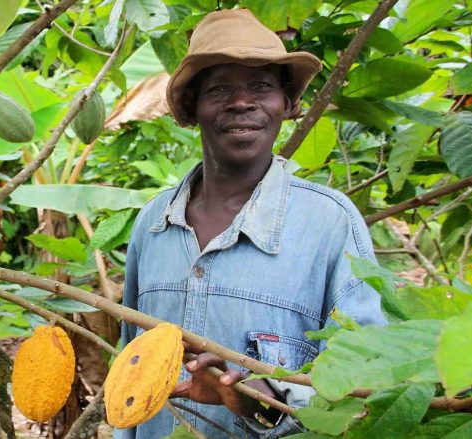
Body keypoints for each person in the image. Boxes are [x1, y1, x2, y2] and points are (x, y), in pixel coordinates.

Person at [117, 9, 387, 439]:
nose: (241, 102)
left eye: (260, 86)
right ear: (193, 106)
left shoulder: (330, 223)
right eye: (220, 88)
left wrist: (263, 400)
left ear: (286, 103)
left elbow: (367, 372)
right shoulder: (154, 223)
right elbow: (131, 362)